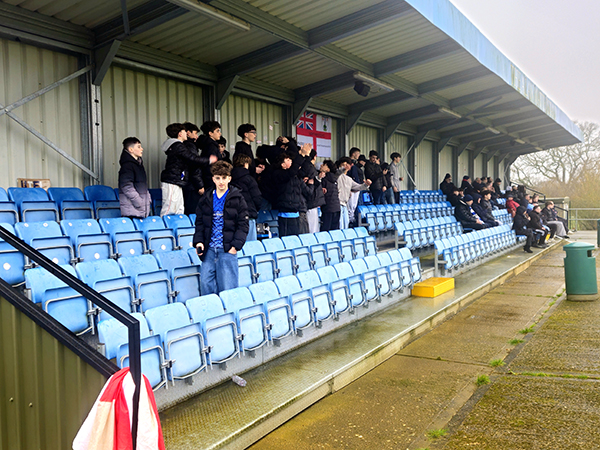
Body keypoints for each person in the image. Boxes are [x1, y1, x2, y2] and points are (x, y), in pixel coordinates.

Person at [193, 161, 249, 295]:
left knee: (228, 291)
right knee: (206, 285)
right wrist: (199, 241)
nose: (221, 182)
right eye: (218, 178)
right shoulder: (206, 198)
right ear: (213, 179)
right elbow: (200, 222)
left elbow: (243, 225)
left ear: (229, 178)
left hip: (227, 250)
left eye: (224, 178)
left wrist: (235, 246)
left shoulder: (238, 199)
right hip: (209, 250)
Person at [160, 123, 216, 216]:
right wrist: (209, 160)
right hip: (172, 180)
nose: (186, 133)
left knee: (179, 207)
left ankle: (178, 225)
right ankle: (165, 224)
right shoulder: (177, 145)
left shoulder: (177, 145)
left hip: (177, 180)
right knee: (169, 208)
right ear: (180, 134)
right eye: (184, 131)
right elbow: (192, 158)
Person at [271, 144, 312, 237]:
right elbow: (292, 170)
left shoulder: (295, 175)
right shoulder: (279, 174)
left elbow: (305, 169)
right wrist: (301, 154)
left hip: (296, 212)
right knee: (287, 239)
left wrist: (306, 156)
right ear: (282, 164)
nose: (291, 161)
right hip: (285, 213)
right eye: (288, 160)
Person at [230, 153, 262, 241]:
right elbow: (257, 198)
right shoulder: (249, 179)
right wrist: (254, 209)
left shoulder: (229, 179)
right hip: (248, 215)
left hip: (233, 216)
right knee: (250, 245)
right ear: (245, 164)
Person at [118, 137, 151, 219]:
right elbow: (126, 186)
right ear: (131, 149)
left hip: (140, 210)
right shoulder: (127, 166)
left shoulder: (139, 165)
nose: (142, 149)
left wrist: (148, 199)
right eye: (139, 147)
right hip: (132, 211)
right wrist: (139, 202)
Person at [336, 157, 371, 229]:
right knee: (340, 225)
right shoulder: (336, 176)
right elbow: (338, 172)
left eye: (346, 165)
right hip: (337, 203)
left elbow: (358, 187)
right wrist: (343, 168)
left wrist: (366, 185)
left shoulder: (349, 179)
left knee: (346, 223)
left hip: (345, 204)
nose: (345, 166)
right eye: (343, 165)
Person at [182, 122, 205, 215]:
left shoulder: (181, 146)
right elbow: (194, 166)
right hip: (192, 186)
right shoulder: (190, 146)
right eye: (195, 133)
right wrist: (199, 185)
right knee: (193, 212)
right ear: (188, 133)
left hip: (185, 183)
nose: (196, 136)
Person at [197, 120, 223, 190]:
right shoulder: (211, 146)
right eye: (217, 131)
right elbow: (212, 164)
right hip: (211, 179)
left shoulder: (208, 144)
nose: (220, 133)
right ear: (210, 133)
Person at [306, 149, 325, 233]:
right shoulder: (310, 168)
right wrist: (318, 178)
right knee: (313, 228)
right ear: (314, 157)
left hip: (312, 202)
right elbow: (313, 184)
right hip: (311, 202)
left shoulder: (309, 167)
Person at [319, 160, 341, 231]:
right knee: (334, 231)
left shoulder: (324, 179)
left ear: (328, 169)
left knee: (325, 230)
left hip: (328, 207)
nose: (321, 166)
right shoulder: (334, 179)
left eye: (324, 165)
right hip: (337, 207)